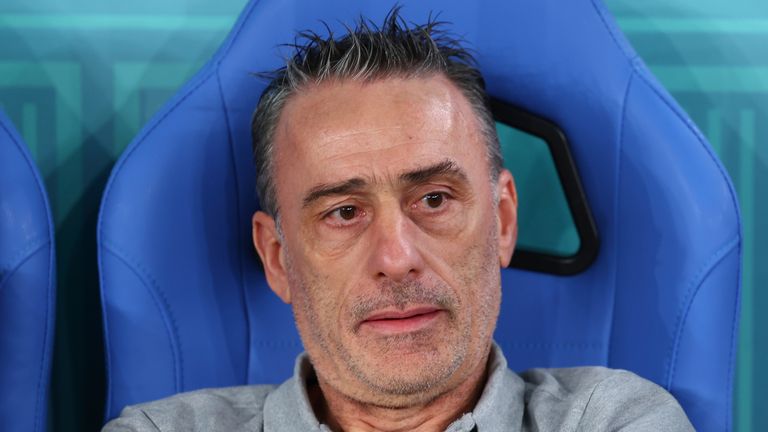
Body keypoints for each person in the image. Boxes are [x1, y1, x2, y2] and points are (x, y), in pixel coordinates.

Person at [103, 8, 694, 432]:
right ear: (278, 258)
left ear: (504, 221)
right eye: (343, 212)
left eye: (434, 199)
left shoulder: (619, 420)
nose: (396, 256)